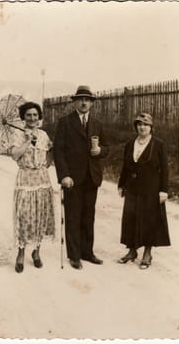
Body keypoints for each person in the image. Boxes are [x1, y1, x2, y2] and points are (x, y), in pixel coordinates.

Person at [53, 85, 109, 270]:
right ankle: (74, 255)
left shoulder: (98, 123)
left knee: (88, 216)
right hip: (72, 179)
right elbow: (58, 152)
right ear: (75, 102)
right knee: (73, 216)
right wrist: (64, 176)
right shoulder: (65, 122)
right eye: (80, 99)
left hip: (91, 177)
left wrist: (100, 150)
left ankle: (87, 252)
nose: (84, 102)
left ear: (92, 103)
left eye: (87, 99)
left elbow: (107, 148)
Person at [118, 113, 170, 269]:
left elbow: (165, 169)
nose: (142, 127)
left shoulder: (158, 144)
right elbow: (125, 167)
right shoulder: (130, 144)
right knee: (130, 218)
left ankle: (147, 253)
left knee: (149, 220)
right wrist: (121, 185)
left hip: (151, 189)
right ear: (136, 127)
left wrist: (164, 190)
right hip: (132, 188)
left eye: (145, 125)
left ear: (151, 127)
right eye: (139, 124)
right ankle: (132, 251)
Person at [11, 102, 55, 273]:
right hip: (25, 179)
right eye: (28, 115)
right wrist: (28, 140)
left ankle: (36, 252)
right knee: (24, 216)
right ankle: (21, 253)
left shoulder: (43, 134)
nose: (32, 118)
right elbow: (15, 154)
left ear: (39, 117)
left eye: (35, 115)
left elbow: (50, 150)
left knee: (41, 216)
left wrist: (47, 164)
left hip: (42, 180)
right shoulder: (17, 134)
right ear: (23, 117)